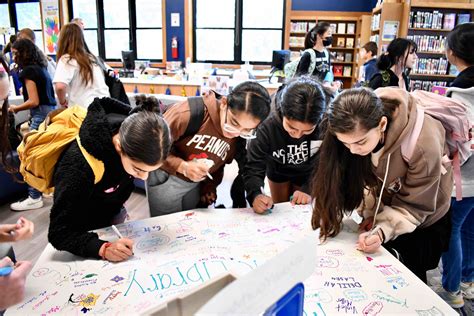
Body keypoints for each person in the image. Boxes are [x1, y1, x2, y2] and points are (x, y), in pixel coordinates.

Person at [311, 87, 453, 283]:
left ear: (382, 124)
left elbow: (417, 205)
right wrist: (371, 213)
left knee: (411, 274)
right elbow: (370, 178)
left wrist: (382, 229)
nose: (352, 151)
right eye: (345, 144)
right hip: (390, 197)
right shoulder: (359, 113)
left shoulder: (423, 144)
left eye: (360, 142)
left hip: (425, 213)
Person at [48, 95, 171, 261]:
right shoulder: (79, 165)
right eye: (138, 169)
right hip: (83, 229)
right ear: (119, 146)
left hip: (110, 214)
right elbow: (59, 231)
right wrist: (102, 248)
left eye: (151, 170)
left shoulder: (136, 136)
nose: (144, 177)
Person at [147, 82, 271, 216]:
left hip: (194, 185)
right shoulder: (187, 113)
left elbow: (219, 162)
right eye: (234, 122)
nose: (235, 132)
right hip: (165, 179)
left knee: (187, 227)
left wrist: (209, 187)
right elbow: (150, 149)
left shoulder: (238, 138)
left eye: (247, 129)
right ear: (224, 103)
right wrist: (182, 166)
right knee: (168, 227)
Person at [244, 76, 330, 213]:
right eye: (292, 128)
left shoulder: (327, 122)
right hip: (278, 167)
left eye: (308, 130)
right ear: (282, 111)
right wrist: (255, 194)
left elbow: (329, 162)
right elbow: (254, 164)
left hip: (311, 171)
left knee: (301, 211)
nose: (297, 135)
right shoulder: (266, 121)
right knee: (281, 209)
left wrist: (308, 189)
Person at [437, 22, 474, 308]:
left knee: (451, 231)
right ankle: (467, 280)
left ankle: (452, 290)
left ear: (451, 52)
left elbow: (463, 143)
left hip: (465, 179)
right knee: (470, 228)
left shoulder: (460, 93)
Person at [8, 39, 57, 212]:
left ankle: (34, 197)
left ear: (24, 53)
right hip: (51, 113)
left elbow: (33, 101)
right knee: (47, 156)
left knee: (31, 157)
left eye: (15, 53)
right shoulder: (41, 68)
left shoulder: (28, 71)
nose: (13, 57)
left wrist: (15, 108)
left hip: (40, 115)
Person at [53, 23, 109, 108]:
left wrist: (62, 102)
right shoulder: (92, 58)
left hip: (84, 111)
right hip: (104, 108)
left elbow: (60, 87)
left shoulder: (67, 59)